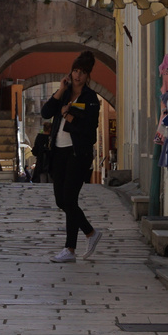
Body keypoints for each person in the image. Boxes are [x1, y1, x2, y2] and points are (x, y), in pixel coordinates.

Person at [40, 51, 103, 262]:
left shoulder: (91, 98)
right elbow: (46, 113)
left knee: (69, 199)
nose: (78, 76)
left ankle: (70, 249)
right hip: (58, 152)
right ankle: (90, 233)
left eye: (82, 72)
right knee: (61, 200)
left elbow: (89, 129)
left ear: (88, 76)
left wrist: (69, 115)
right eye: (75, 71)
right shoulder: (65, 94)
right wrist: (59, 90)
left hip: (78, 154)